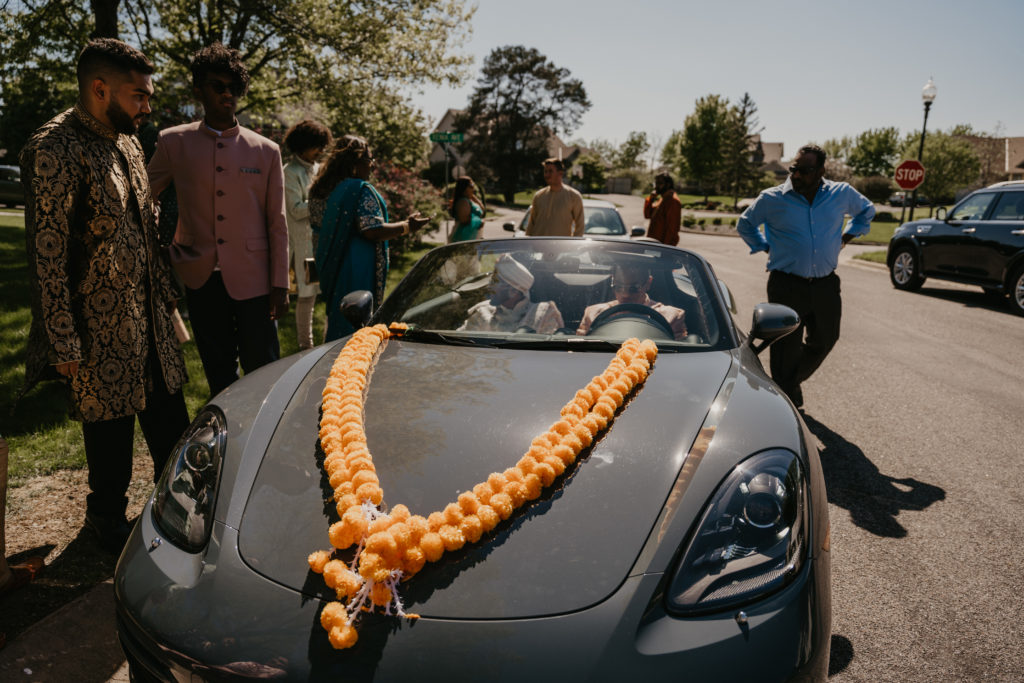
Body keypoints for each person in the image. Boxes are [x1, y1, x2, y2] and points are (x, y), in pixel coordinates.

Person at [20, 38, 190, 552]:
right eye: (138, 95)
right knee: (109, 435)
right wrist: (63, 342)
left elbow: (147, 231)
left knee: (174, 433)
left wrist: (170, 308)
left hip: (152, 323)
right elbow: (46, 257)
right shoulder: (52, 149)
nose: (147, 105)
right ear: (100, 89)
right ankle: (105, 524)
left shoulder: (132, 141)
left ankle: (177, 515)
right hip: (97, 328)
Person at [148, 43, 289, 397]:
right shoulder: (172, 142)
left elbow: (277, 222)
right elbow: (140, 195)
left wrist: (280, 283)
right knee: (218, 371)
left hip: (256, 280)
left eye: (234, 88)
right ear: (199, 89)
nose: (227, 94)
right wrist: (161, 250)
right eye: (217, 86)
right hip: (200, 277)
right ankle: (227, 439)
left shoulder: (266, 150)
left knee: (263, 368)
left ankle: (264, 439)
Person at [736, 144, 875, 408]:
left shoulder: (841, 193)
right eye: (794, 169)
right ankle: (785, 400)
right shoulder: (772, 199)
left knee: (826, 339)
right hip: (786, 284)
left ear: (821, 170)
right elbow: (745, 223)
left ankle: (785, 385)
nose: (797, 175)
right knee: (785, 347)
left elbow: (866, 210)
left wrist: (847, 236)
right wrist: (764, 245)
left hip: (825, 284)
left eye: (805, 170)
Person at [308, 135, 429, 341]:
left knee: (338, 315)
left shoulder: (320, 188)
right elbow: (371, 230)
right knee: (355, 322)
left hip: (329, 263)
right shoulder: (358, 190)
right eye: (369, 160)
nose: (372, 166)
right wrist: (408, 226)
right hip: (355, 268)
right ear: (355, 163)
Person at [283, 120, 332, 350]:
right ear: (302, 145)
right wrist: (324, 204)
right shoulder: (289, 172)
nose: (320, 151)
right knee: (307, 296)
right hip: (304, 247)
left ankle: (329, 342)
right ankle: (306, 347)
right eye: (316, 146)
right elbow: (294, 208)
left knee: (331, 292)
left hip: (324, 242)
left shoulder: (319, 168)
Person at [577, 264, 688, 339]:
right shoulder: (593, 314)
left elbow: (678, 358)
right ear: (612, 281)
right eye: (618, 287)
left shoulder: (671, 317)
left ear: (648, 283)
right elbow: (578, 352)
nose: (625, 294)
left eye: (634, 288)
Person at [458, 255, 564, 334]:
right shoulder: (483, 312)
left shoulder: (543, 315)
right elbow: (460, 342)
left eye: (494, 282)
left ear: (513, 292)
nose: (489, 286)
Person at [526, 158, 584, 236]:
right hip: (538, 246)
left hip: (561, 247)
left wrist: (573, 245)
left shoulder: (574, 196)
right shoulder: (538, 196)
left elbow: (580, 226)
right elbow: (531, 224)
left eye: (550, 171)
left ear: (560, 173)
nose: (546, 175)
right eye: (545, 171)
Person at [644, 172, 682, 246]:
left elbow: (672, 230)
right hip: (653, 244)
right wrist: (651, 199)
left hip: (662, 247)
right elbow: (647, 215)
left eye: (659, 183)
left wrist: (665, 249)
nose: (656, 187)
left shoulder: (673, 201)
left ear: (668, 185)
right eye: (656, 183)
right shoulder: (662, 199)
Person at [448, 176, 485, 242]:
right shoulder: (463, 202)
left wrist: (472, 196)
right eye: (471, 185)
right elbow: (464, 220)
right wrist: (480, 221)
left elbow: (482, 208)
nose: (473, 187)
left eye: (473, 185)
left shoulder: (469, 199)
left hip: (471, 238)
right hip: (462, 238)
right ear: (463, 187)